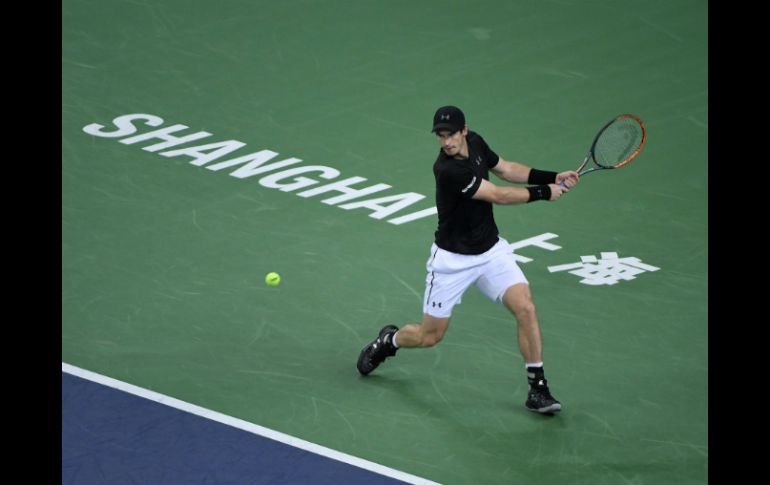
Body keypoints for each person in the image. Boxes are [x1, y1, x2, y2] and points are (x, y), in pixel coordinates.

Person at [356, 105, 580, 414]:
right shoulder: (447, 170)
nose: (446, 142)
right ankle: (389, 341)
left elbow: (507, 169)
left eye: (450, 135)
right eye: (440, 136)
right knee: (430, 336)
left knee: (525, 307)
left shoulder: (475, 142)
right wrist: (545, 192)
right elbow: (498, 195)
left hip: (490, 252)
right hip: (452, 262)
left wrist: (553, 175)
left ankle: (537, 388)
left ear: (464, 130)